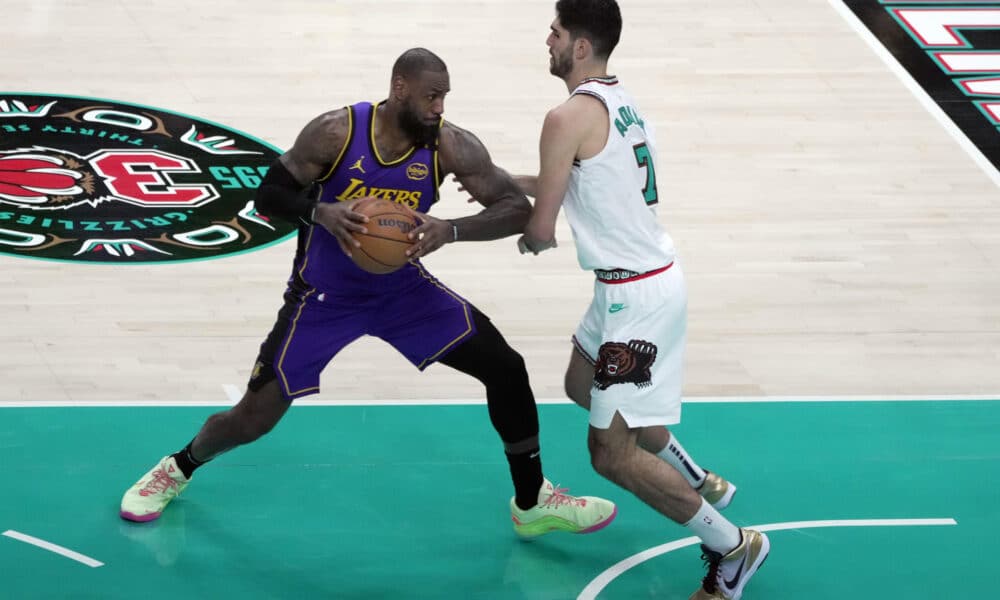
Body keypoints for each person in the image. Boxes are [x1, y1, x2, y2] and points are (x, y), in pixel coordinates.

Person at [119, 47, 616, 541]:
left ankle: (531, 502)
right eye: (430, 96)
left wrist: (453, 229)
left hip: (403, 293)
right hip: (324, 298)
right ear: (399, 88)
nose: (439, 108)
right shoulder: (337, 131)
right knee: (254, 416)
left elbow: (513, 208)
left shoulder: (449, 145)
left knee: (505, 367)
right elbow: (268, 194)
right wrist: (322, 212)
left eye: (443, 97)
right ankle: (179, 466)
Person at [513, 2, 770, 598]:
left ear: (579, 46)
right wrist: (499, 180)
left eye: (555, 30)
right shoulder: (618, 101)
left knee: (610, 453)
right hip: (634, 283)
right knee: (582, 385)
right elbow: (574, 185)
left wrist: (476, 228)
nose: (546, 38)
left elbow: (542, 230)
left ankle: (732, 545)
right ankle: (699, 479)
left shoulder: (564, 116)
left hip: (638, 299)